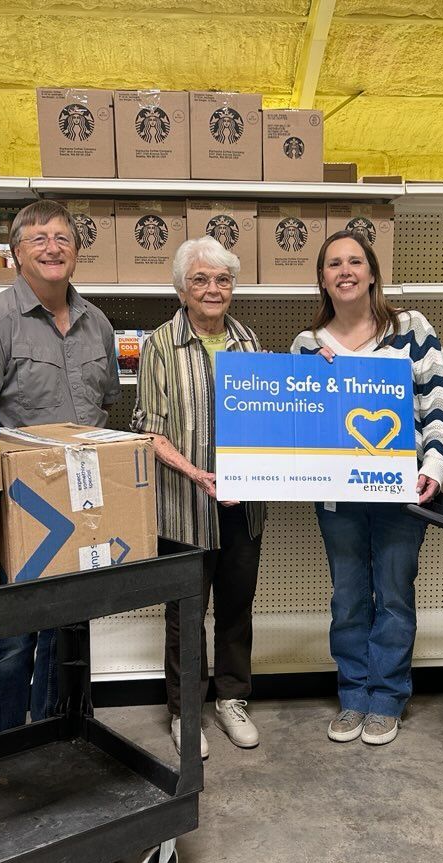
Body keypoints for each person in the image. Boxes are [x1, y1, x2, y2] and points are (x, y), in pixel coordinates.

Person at [0, 200, 120, 736]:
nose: (53, 247)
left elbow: (105, 405)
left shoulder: (98, 324)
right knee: (12, 638)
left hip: (81, 502)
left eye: (63, 238)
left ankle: (59, 736)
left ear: (77, 252)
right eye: (38, 239)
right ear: (16, 254)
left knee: (69, 630)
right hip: (18, 505)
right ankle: (1, 748)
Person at [291, 230, 443, 746]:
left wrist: (435, 466)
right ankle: (354, 694)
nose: (345, 270)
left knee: (395, 595)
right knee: (348, 597)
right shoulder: (306, 345)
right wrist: (309, 381)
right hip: (338, 497)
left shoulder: (411, 329)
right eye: (334, 263)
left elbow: (437, 404)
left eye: (355, 261)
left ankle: (386, 698)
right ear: (322, 278)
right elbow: (297, 426)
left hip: (400, 491)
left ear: (371, 272)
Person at [131, 237, 266, 759]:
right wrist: (200, 475)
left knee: (237, 608)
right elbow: (149, 431)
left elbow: (268, 421)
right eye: (201, 280)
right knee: (185, 614)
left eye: (223, 279)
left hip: (245, 506)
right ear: (182, 289)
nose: (213, 289)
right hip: (186, 505)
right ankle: (186, 711)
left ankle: (233, 700)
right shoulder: (160, 345)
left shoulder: (250, 342)